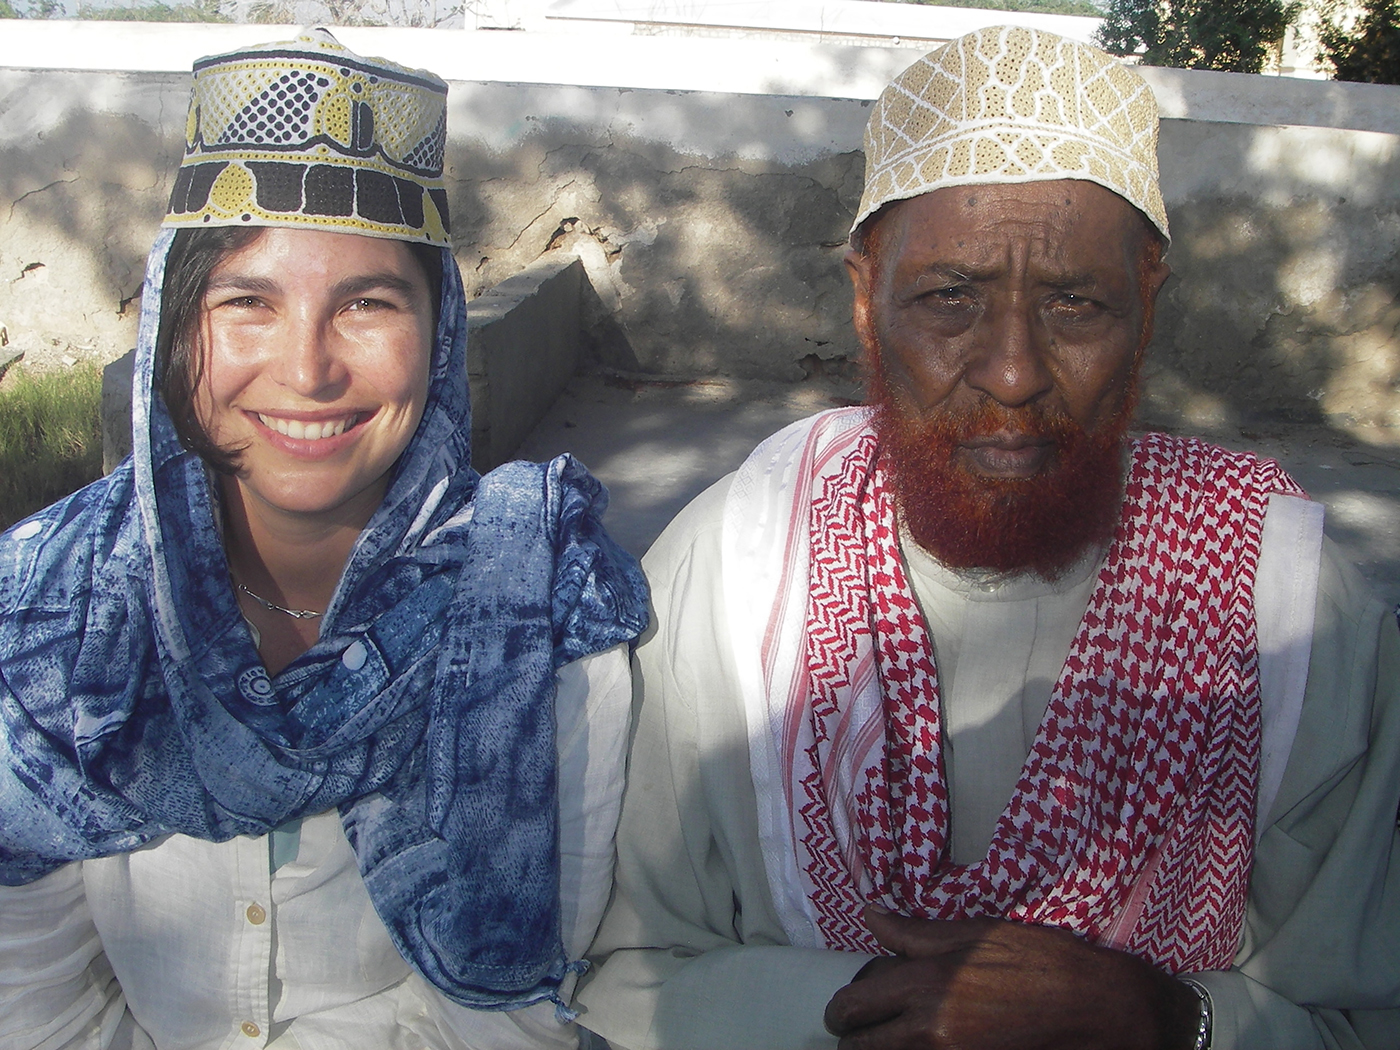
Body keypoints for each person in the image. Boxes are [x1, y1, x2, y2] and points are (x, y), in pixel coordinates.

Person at [576, 25, 1400, 1050]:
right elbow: (615, 977)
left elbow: (1358, 1013)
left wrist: (1165, 1021)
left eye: (1073, 303)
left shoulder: (1293, 611)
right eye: (948, 299)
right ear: (865, 302)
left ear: (1145, 305)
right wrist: (884, 1015)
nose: (1012, 372)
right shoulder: (736, 574)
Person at [0, 30, 646, 1050]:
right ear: (176, 328)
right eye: (246, 303)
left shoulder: (537, 606)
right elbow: (23, 990)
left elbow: (514, 1014)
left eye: (365, 305)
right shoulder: (49, 609)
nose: (306, 371)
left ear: (436, 336)